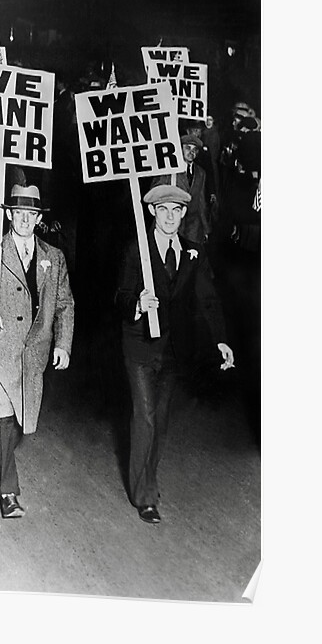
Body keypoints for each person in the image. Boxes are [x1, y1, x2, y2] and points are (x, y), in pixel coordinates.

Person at [115, 184, 234, 524]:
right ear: (152, 212)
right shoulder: (136, 249)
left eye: (176, 211)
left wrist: (220, 340)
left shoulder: (194, 252)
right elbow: (120, 295)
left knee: (161, 420)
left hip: (173, 351)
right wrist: (137, 303)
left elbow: (207, 299)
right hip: (140, 345)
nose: (170, 217)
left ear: (184, 214)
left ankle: (148, 479)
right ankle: (144, 496)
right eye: (164, 210)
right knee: (146, 416)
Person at [0, 184, 75, 519]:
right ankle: (8, 493)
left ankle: (6, 462)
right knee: (2, 419)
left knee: (21, 423)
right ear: (8, 215)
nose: (24, 220)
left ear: (38, 218)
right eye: (18, 213)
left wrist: (63, 344)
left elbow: (65, 305)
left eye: (31, 214)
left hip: (32, 354)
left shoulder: (54, 258)